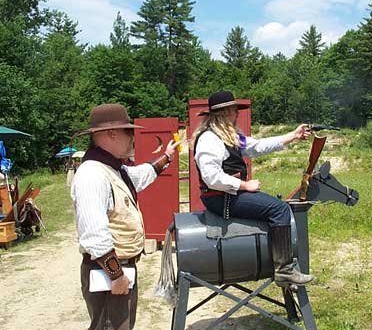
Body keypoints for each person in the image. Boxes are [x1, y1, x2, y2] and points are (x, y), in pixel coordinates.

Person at [71, 103, 179, 330]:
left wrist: (167, 157)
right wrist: (116, 275)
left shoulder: (112, 169)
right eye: (128, 132)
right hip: (109, 272)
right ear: (111, 134)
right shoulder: (92, 174)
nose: (132, 138)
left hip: (118, 271)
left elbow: (139, 176)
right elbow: (93, 234)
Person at [192, 90, 315, 287]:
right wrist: (244, 185)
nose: (237, 114)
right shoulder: (210, 139)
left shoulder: (229, 136)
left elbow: (258, 146)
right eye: (234, 110)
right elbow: (211, 177)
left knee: (276, 206)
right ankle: (284, 270)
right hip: (221, 198)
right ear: (224, 113)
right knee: (280, 208)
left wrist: (293, 135)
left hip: (228, 194)